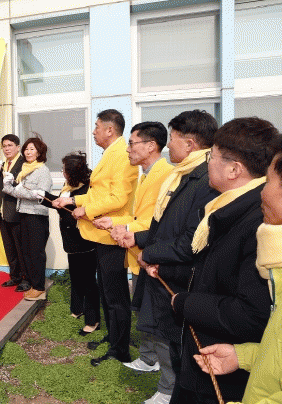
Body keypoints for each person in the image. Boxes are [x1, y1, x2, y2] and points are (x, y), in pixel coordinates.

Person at [170, 117, 278, 403]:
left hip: (223, 374)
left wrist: (185, 303)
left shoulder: (258, 223)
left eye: (211, 157)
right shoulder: (227, 210)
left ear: (234, 169)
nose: (207, 164)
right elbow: (214, 274)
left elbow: (252, 315)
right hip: (206, 361)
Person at [118, 110, 219, 404]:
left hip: (178, 274)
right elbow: (164, 226)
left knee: (173, 337)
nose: (168, 144)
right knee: (162, 333)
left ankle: (170, 389)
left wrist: (149, 252)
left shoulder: (204, 180)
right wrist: (138, 238)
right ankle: (168, 387)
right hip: (163, 268)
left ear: (189, 143)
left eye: (172, 138)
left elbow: (191, 240)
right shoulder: (182, 175)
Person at [53, 109, 139, 366]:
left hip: (113, 234)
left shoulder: (121, 155)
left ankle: (120, 349)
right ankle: (113, 337)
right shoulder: (110, 153)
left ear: (110, 130)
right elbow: (98, 193)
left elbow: (118, 198)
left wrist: (86, 210)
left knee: (116, 296)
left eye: (97, 126)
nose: (93, 131)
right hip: (101, 235)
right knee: (107, 293)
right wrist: (72, 200)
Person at [96, 121, 173, 403]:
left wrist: (126, 228)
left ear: (151, 146)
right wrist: (116, 222)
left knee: (156, 318)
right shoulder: (146, 174)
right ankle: (148, 358)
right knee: (143, 311)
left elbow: (158, 222)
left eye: (132, 143)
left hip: (152, 255)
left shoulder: (165, 175)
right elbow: (139, 214)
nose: (128, 149)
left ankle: (166, 382)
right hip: (140, 252)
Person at [40, 152, 99, 330]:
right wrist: (43, 196)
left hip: (84, 241)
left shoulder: (87, 189)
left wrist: (62, 203)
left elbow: (78, 208)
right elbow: (60, 204)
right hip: (70, 241)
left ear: (73, 173)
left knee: (88, 281)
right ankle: (77, 308)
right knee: (75, 276)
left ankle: (93, 320)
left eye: (64, 170)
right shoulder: (68, 186)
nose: (62, 172)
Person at [2, 136, 52, 301]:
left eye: (32, 149)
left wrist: (19, 190)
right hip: (23, 214)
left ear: (39, 152)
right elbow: (18, 192)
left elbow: (40, 194)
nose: (28, 152)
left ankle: (39, 287)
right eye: (26, 149)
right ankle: (33, 284)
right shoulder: (25, 169)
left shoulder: (42, 170)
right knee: (27, 253)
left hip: (37, 216)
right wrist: (8, 185)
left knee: (36, 253)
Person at [0, 134, 29, 291]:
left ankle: (26, 279)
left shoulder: (24, 163)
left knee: (21, 248)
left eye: (10, 145)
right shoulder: (3, 164)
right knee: (10, 248)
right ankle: (15, 276)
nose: (6, 149)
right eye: (4, 146)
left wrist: (12, 181)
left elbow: (25, 187)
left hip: (17, 212)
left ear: (18, 147)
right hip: (3, 212)